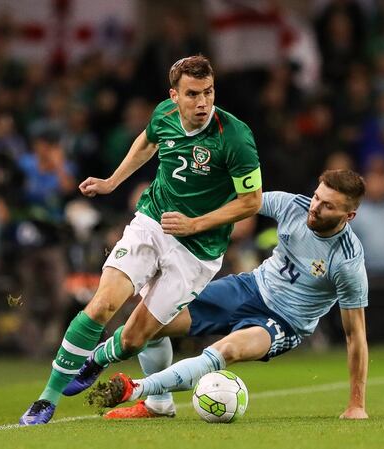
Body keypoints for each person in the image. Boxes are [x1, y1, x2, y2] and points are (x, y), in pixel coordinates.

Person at [20, 55, 263, 425]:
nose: (202, 103)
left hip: (198, 250)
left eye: (209, 93)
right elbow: (147, 142)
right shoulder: (164, 113)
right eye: (193, 94)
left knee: (135, 338)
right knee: (101, 306)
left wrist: (196, 224)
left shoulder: (235, 136)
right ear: (174, 95)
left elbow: (252, 201)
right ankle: (45, 399)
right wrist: (112, 182)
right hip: (152, 221)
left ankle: (99, 358)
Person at [88, 170, 369, 420]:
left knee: (227, 350)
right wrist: (193, 218)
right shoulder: (293, 205)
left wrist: (356, 404)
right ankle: (157, 403)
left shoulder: (347, 261)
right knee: (153, 320)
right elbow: (241, 202)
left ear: (349, 215)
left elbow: (355, 335)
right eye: (316, 197)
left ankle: (136, 388)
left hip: (284, 322)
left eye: (327, 205)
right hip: (248, 288)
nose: (315, 208)